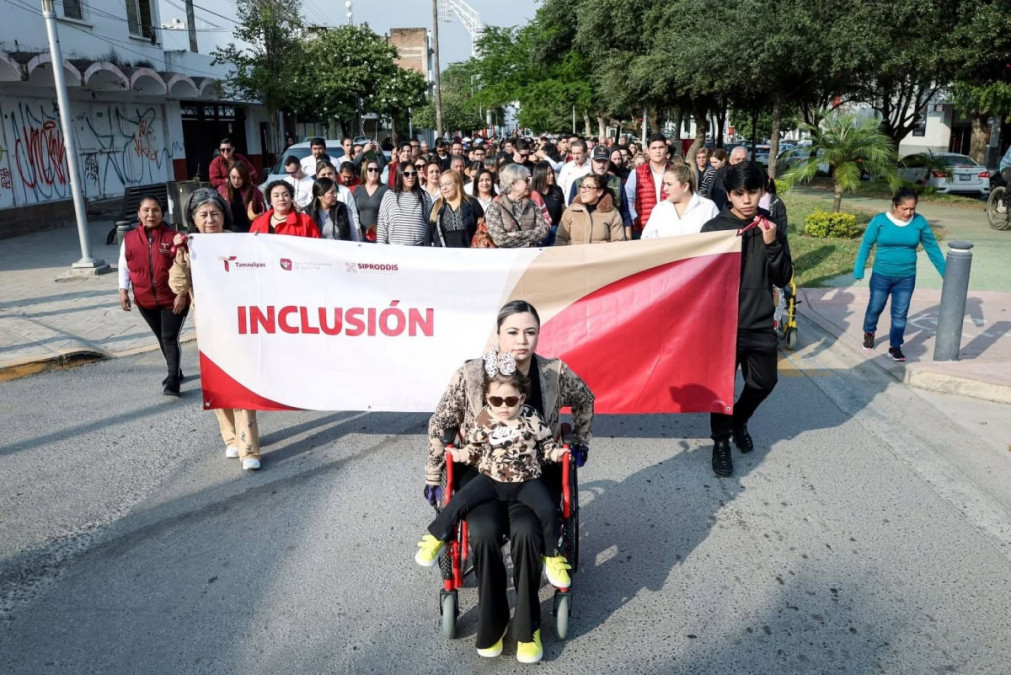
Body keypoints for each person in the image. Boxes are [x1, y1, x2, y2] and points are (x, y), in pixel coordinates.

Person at [426, 301, 594, 663]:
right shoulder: (471, 374)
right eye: (513, 332)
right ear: (498, 334)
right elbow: (441, 423)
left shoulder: (553, 372)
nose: (522, 340)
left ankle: (527, 627)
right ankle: (493, 623)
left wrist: (580, 442)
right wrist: (433, 474)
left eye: (530, 332)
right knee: (483, 533)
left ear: (538, 335)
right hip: (482, 473)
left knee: (527, 532)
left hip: (534, 474)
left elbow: (585, 399)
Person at [417, 360, 571, 596]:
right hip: (490, 477)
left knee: (550, 510)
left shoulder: (532, 417)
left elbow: (546, 444)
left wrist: (556, 454)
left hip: (525, 480)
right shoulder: (484, 418)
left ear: (521, 398)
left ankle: (551, 555)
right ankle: (436, 537)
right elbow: (474, 448)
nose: (504, 406)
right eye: (497, 400)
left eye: (511, 400)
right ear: (488, 398)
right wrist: (460, 454)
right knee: (458, 502)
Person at [701, 162, 793, 477]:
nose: (746, 200)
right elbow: (700, 279)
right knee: (721, 389)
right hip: (722, 325)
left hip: (759, 320)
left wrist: (772, 244)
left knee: (765, 381)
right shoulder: (713, 229)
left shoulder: (770, 226)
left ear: (762, 191)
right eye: (739, 193)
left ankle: (739, 420)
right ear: (728, 194)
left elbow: (783, 276)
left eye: (752, 192)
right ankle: (721, 443)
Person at [168, 188, 261, 471]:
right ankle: (231, 437)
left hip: (240, 323)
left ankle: (249, 448)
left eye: (215, 213)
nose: (210, 220)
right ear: (194, 219)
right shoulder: (190, 247)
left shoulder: (239, 243)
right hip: (208, 327)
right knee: (218, 382)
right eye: (203, 215)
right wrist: (180, 255)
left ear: (224, 215)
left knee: (242, 382)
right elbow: (177, 286)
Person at [854, 187, 945, 362]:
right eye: (905, 208)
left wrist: (945, 272)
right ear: (895, 205)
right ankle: (869, 332)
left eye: (912, 209)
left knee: (900, 314)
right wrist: (859, 269)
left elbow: (932, 247)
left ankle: (895, 346)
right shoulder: (880, 221)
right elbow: (866, 244)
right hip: (881, 275)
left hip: (906, 277)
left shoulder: (919, 222)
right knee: (875, 307)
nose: (909, 213)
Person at [117, 196, 189, 396]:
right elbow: (124, 266)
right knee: (161, 337)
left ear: (161, 214)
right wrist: (123, 290)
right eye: (146, 210)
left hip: (173, 300)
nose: (151, 214)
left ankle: (173, 380)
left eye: (156, 210)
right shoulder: (129, 239)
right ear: (139, 214)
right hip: (145, 300)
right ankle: (176, 370)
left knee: (169, 338)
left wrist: (182, 294)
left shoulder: (174, 236)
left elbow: (185, 268)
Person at [569, 145, 633, 238]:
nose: (601, 165)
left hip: (612, 235)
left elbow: (625, 213)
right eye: (598, 161)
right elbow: (570, 213)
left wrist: (628, 238)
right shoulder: (578, 183)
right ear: (591, 161)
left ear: (609, 162)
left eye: (604, 161)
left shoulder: (617, 183)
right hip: (583, 234)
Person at [641, 163, 719, 238]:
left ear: (685, 186)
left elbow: (718, 239)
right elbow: (646, 238)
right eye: (664, 184)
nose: (665, 189)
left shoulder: (708, 207)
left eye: (669, 184)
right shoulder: (660, 209)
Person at [484, 164, 550, 248]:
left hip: (530, 254)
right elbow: (500, 239)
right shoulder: (496, 207)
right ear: (513, 184)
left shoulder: (532, 205)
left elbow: (543, 232)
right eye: (526, 180)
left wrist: (516, 234)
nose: (529, 184)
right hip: (509, 255)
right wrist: (529, 243)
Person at [556, 173, 625, 245]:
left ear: (599, 192)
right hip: (575, 252)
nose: (583, 190)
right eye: (582, 186)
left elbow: (618, 242)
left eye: (588, 187)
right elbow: (560, 239)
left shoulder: (612, 213)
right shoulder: (571, 211)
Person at [625, 133, 671, 238]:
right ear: (647, 151)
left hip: (669, 228)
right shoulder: (636, 173)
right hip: (643, 229)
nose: (658, 151)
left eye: (661, 147)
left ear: (666, 149)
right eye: (654, 148)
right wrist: (635, 217)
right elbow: (628, 199)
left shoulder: (675, 171)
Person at [377, 163, 433, 245]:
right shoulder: (389, 195)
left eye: (413, 173)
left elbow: (430, 224)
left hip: (418, 248)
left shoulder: (424, 196)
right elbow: (382, 225)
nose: (411, 177)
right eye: (406, 174)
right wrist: (381, 247)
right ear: (400, 175)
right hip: (394, 248)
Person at [429, 170, 483, 247]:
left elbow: (483, 228)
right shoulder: (437, 206)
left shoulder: (472, 203)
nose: (444, 188)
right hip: (444, 253)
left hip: (469, 252)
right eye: (441, 185)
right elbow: (428, 235)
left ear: (457, 184)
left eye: (448, 183)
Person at [250, 181, 321, 237]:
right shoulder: (258, 223)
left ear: (291, 198)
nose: (281, 198)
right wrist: (254, 239)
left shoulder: (305, 221)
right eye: (276, 196)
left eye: (285, 195)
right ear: (270, 201)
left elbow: (316, 245)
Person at [218, 162, 265, 233]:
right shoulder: (222, 189)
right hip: (228, 231)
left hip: (249, 229)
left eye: (239, 178)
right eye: (233, 177)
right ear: (229, 176)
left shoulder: (253, 190)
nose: (236, 181)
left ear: (244, 177)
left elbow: (263, 211)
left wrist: (258, 223)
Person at [353, 158, 389, 242]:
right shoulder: (358, 190)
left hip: (380, 236)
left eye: (376, 170)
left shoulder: (385, 190)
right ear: (364, 172)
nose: (374, 172)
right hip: (361, 235)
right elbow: (354, 212)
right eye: (370, 169)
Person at [530, 161, 564, 245]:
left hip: (556, 230)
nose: (552, 176)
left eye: (552, 173)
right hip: (539, 232)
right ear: (540, 175)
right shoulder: (532, 194)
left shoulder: (557, 190)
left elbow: (563, 210)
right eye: (548, 174)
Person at [557, 139, 590, 205]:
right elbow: (561, 187)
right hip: (570, 206)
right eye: (573, 153)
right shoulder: (566, 167)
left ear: (585, 152)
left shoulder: (592, 166)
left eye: (578, 153)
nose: (575, 156)